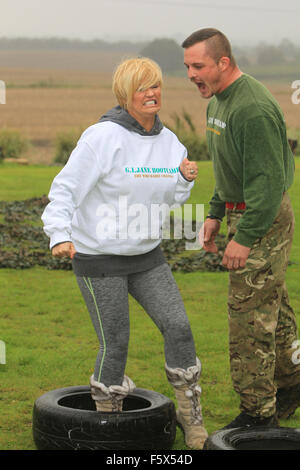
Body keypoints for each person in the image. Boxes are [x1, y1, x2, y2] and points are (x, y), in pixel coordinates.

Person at [41, 57, 208, 449]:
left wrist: (182, 179)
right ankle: (108, 423)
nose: (152, 93)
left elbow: (170, 195)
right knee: (115, 343)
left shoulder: (170, 143)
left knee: (179, 327)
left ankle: (190, 414)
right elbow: (65, 189)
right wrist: (59, 234)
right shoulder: (101, 138)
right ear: (125, 94)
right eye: (142, 87)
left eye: (156, 86)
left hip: (147, 256)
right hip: (99, 259)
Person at [182, 28, 300, 428]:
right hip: (241, 212)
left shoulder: (251, 108)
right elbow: (230, 167)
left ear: (223, 63)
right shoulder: (218, 100)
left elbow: (267, 185)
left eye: (198, 66)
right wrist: (216, 213)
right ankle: (293, 380)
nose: (191, 74)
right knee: (272, 303)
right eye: (187, 67)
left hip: (260, 217)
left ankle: (258, 415)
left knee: (248, 317)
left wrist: (245, 238)